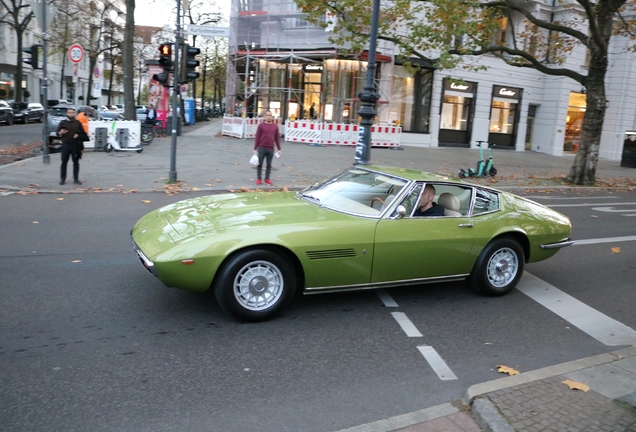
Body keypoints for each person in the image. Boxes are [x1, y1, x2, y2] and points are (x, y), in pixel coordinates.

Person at [57, 107, 87, 185]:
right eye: (69, 113)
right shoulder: (63, 123)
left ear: (75, 114)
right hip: (65, 145)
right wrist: (61, 133)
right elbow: (57, 133)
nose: (71, 114)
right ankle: (63, 179)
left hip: (75, 146)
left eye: (72, 113)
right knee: (64, 162)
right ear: (67, 113)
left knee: (76, 162)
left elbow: (84, 135)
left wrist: (78, 135)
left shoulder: (78, 123)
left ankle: (76, 179)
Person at [253, 110, 281, 185]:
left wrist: (279, 148)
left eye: (270, 115)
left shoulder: (275, 126)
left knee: (269, 165)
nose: (269, 117)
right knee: (260, 164)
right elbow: (257, 137)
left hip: (270, 148)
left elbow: (277, 138)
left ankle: (267, 179)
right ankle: (259, 178)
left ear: (272, 117)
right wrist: (255, 148)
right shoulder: (261, 126)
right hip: (261, 148)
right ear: (265, 117)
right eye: (267, 115)